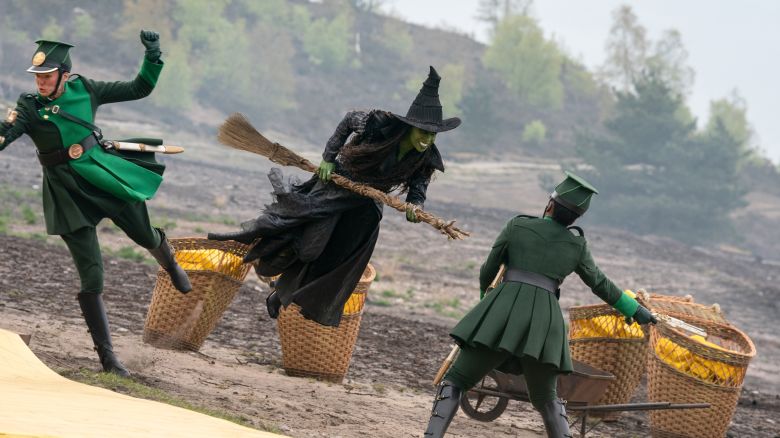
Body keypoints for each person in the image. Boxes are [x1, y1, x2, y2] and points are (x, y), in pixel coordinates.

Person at [0, 32, 191, 377]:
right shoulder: (28, 106)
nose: (41, 82)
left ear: (64, 75)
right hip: (65, 192)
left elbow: (139, 89)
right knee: (93, 279)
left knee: (145, 236)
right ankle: (109, 360)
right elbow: (5, 135)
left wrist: (153, 56)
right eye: (37, 76)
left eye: (46, 76)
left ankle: (168, 258)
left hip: (102, 174)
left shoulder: (86, 89)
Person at [209, 66, 460, 327]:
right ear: (410, 127)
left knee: (337, 259)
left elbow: (418, 189)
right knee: (310, 249)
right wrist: (329, 158)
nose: (427, 139)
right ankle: (274, 273)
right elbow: (350, 119)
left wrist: (415, 207)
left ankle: (282, 295)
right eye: (424, 132)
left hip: (366, 206)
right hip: (335, 187)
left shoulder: (426, 157)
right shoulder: (379, 125)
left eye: (433, 134)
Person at [422, 172, 657, 438]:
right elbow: (601, 284)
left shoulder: (517, 226)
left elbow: (487, 272)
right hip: (546, 326)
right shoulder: (577, 245)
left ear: (549, 205)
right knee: (548, 399)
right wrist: (636, 311)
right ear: (576, 218)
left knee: (457, 380)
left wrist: (486, 307)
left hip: (502, 312)